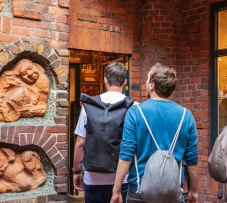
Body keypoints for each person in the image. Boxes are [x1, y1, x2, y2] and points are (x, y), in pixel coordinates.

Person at [111, 63, 200, 203]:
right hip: (173, 191)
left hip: (139, 191)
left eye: (147, 80)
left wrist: (116, 191)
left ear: (152, 85)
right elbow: (192, 160)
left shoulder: (135, 113)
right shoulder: (186, 116)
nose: (145, 83)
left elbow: (126, 156)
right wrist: (194, 191)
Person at [73, 62, 135, 203]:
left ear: (105, 81)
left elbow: (80, 143)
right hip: (123, 178)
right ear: (125, 82)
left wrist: (76, 171)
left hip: (93, 178)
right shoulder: (133, 106)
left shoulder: (88, 106)